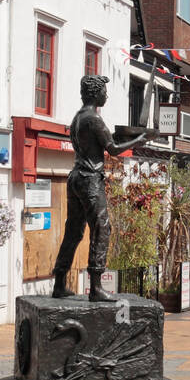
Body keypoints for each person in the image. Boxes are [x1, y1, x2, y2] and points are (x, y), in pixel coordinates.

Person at [52, 74, 151, 300]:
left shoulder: (79, 117)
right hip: (89, 179)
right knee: (102, 228)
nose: (106, 95)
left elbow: (103, 141)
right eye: (104, 92)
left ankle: (59, 282)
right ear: (95, 93)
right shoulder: (94, 119)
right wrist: (138, 141)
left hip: (75, 176)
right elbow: (113, 148)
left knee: (74, 231)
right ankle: (96, 287)